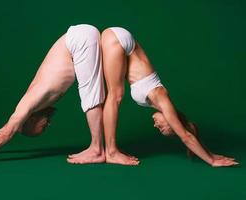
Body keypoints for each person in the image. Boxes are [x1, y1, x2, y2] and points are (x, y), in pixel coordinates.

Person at [0, 24, 106, 165]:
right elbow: (8, 132)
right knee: (98, 92)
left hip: (78, 40)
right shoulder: (37, 102)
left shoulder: (27, 103)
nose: (48, 124)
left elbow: (7, 132)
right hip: (80, 37)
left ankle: (97, 149)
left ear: (30, 120)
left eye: (42, 128)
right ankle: (100, 147)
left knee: (90, 95)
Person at [100, 27, 238, 167]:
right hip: (120, 40)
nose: (156, 125)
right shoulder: (163, 100)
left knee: (111, 93)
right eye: (163, 128)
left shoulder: (158, 102)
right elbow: (186, 136)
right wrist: (212, 161)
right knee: (115, 95)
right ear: (172, 119)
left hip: (119, 40)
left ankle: (108, 150)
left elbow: (189, 131)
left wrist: (210, 153)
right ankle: (111, 152)